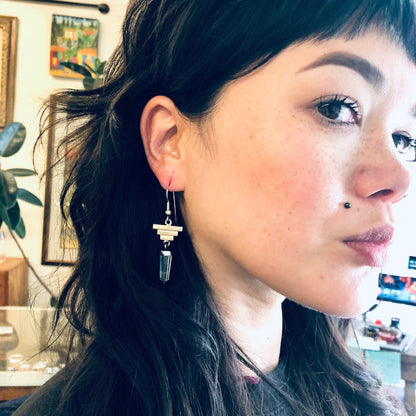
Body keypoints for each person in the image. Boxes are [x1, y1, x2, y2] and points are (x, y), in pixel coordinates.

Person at [12, 0, 416, 415]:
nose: (399, 178)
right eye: (336, 108)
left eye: (405, 139)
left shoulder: (361, 399)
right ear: (171, 142)